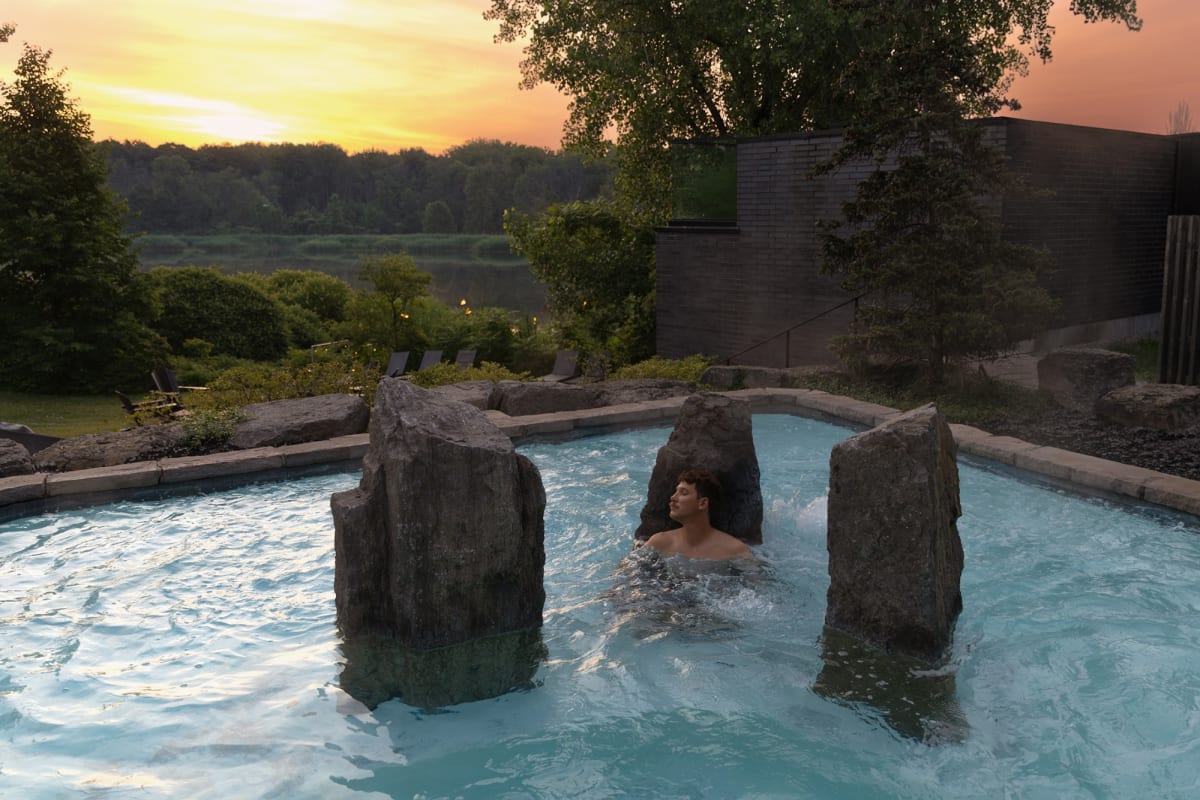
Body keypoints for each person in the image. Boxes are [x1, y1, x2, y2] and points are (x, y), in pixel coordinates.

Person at [639, 469, 753, 561]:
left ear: (702, 503)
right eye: (676, 491)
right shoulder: (660, 542)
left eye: (683, 492)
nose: (673, 498)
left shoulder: (735, 550)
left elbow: (756, 584)